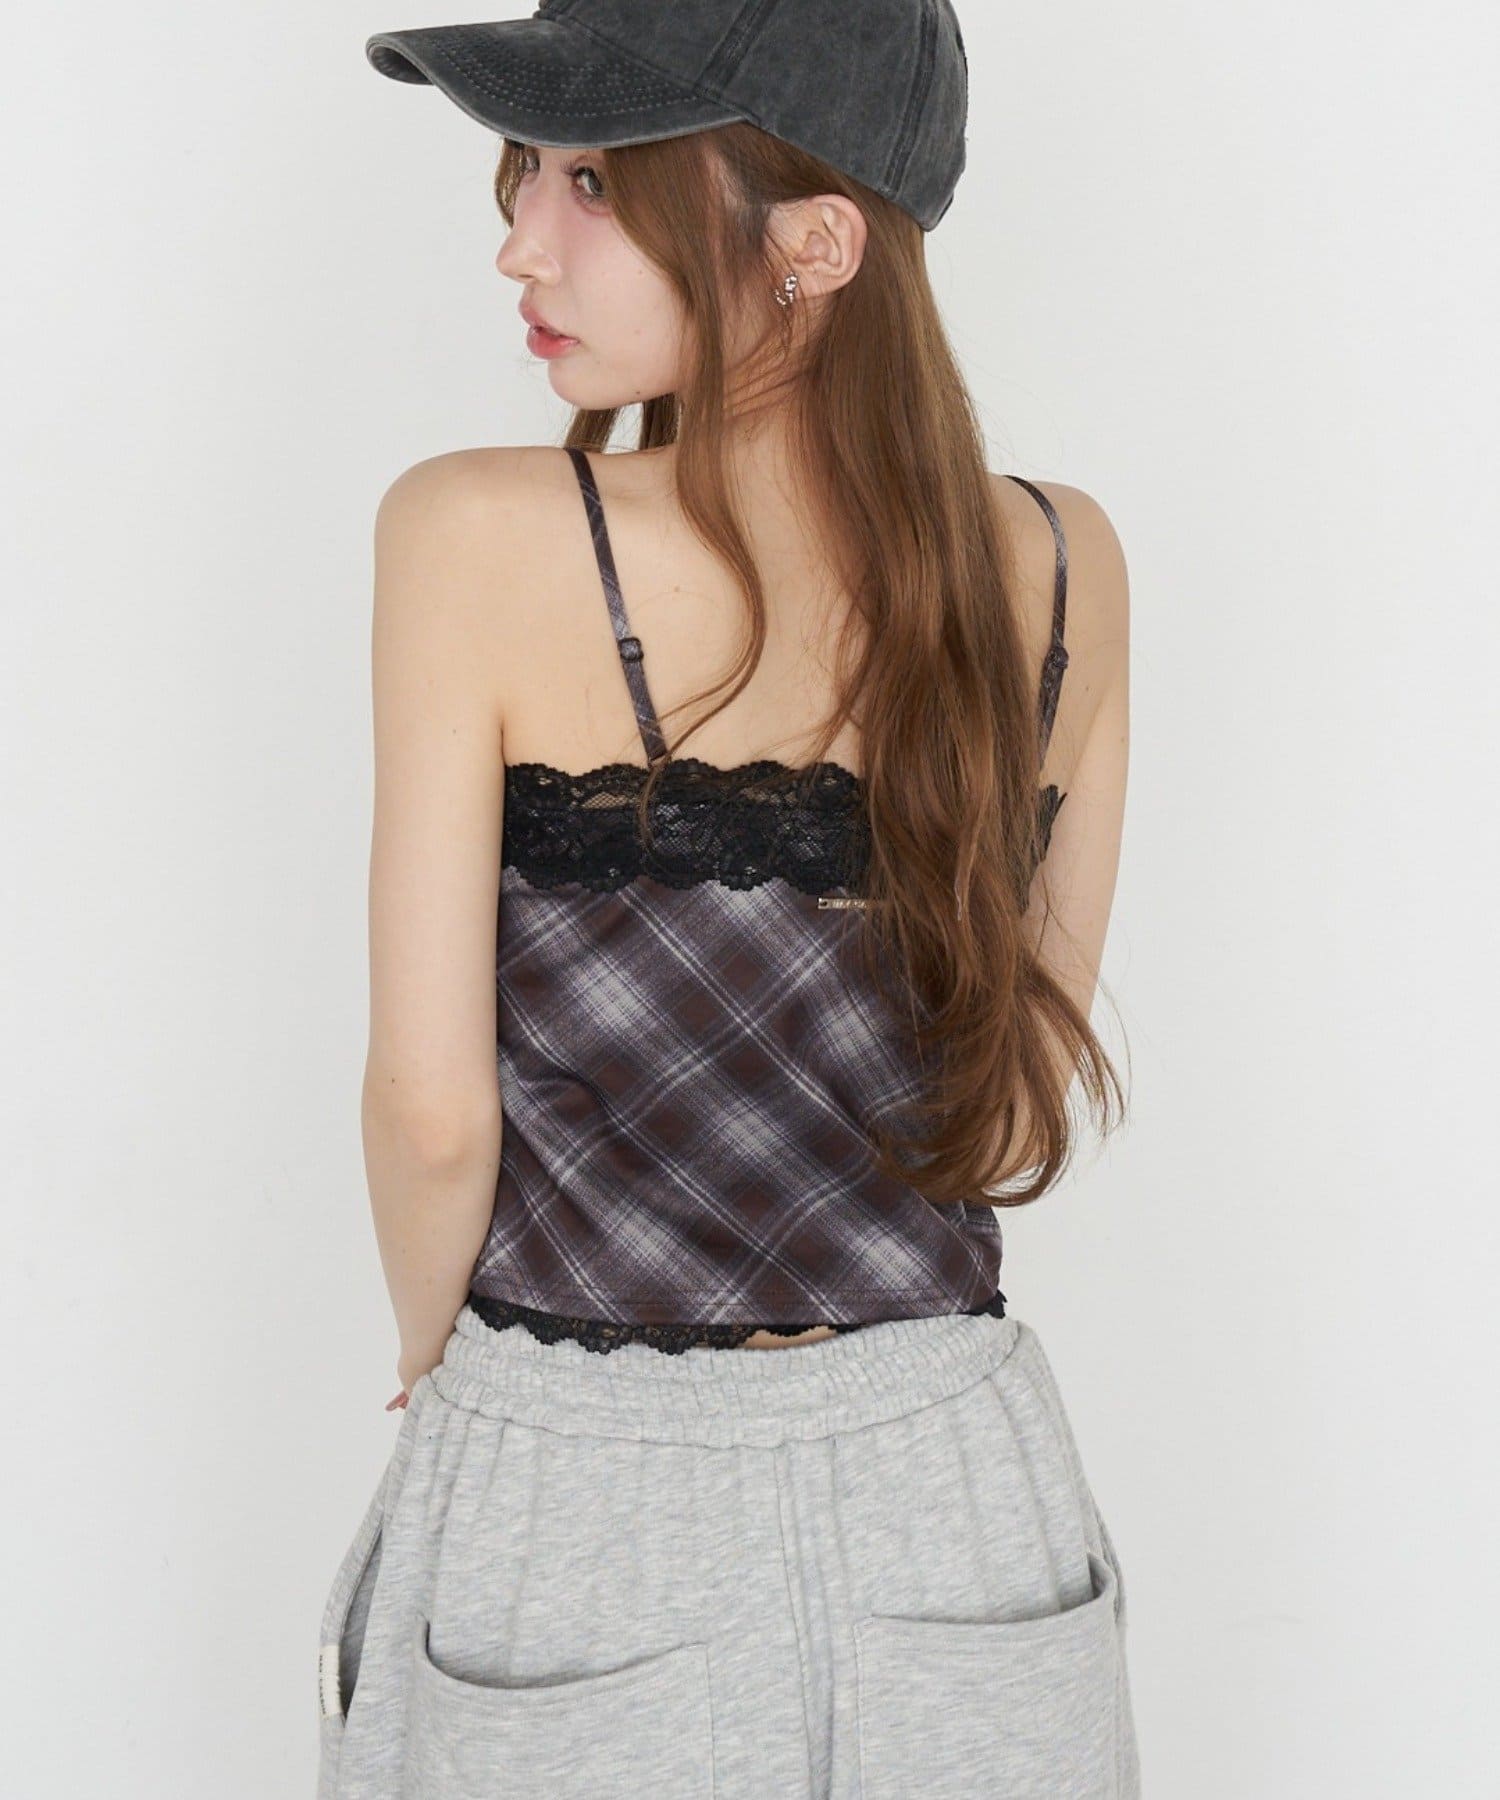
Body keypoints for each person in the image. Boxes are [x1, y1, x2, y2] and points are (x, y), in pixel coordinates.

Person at [317, 2, 1140, 1794]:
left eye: (598, 182)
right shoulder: (1064, 560)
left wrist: (439, 1357)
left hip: (584, 1479)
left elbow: (434, 1112)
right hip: (966, 1487)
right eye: (529, 169)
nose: (521, 238)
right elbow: (1011, 1108)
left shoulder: (473, 531)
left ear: (818, 245)